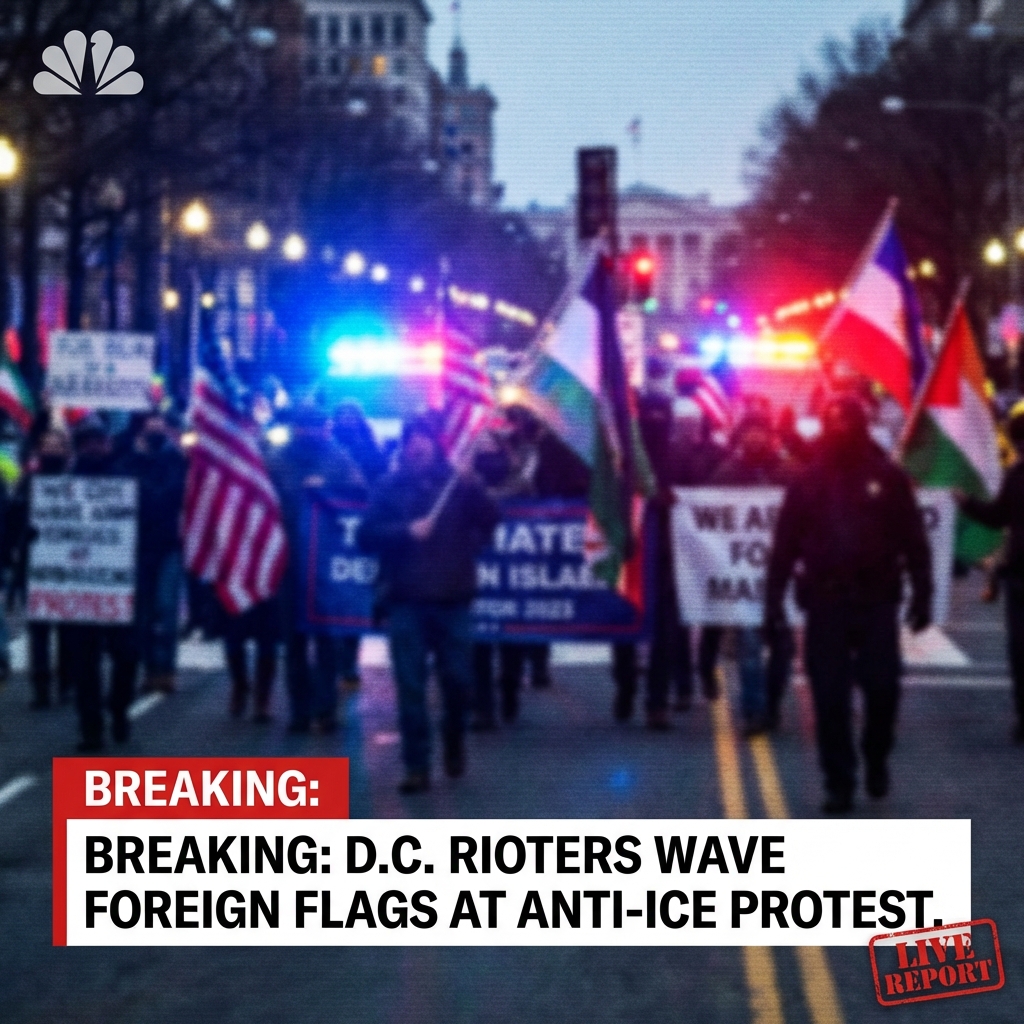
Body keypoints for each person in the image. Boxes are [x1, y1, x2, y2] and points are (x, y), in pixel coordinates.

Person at [765, 397, 933, 813]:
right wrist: (772, 606)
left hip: (876, 599)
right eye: (833, 421)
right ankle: (838, 781)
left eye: (848, 421)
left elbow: (914, 540)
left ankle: (876, 756)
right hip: (825, 601)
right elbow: (783, 549)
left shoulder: (888, 478)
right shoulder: (807, 482)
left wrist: (924, 593)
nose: (841, 428)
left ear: (861, 425)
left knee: (883, 687)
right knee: (829, 697)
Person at [358, 416, 500, 794]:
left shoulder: (459, 485)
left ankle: (453, 738)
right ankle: (416, 764)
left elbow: (492, 521)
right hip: (406, 602)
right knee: (410, 688)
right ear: (403, 447)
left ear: (436, 444)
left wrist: (476, 489)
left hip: (453, 599)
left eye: (424, 439)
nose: (418, 446)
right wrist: (405, 532)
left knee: (459, 681)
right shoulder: (388, 487)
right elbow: (365, 535)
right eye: (411, 440)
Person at [266, 405, 365, 734]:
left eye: (316, 426)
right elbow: (262, 502)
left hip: (323, 565)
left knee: (327, 643)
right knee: (294, 644)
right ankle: (299, 710)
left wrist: (328, 491)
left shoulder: (339, 458)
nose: (310, 432)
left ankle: (325, 709)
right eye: (304, 426)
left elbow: (359, 498)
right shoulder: (276, 459)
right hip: (289, 560)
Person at [710, 412, 793, 735]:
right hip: (743, 577)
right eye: (750, 431)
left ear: (770, 435)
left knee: (783, 648)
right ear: (741, 435)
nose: (755, 437)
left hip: (781, 578)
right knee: (749, 646)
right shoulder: (727, 472)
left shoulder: (788, 472)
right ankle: (753, 711)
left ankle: (771, 704)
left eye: (761, 431)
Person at [65, 416, 141, 751]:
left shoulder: (125, 478)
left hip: (120, 585)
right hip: (79, 587)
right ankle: (91, 727)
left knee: (126, 655)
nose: (93, 447)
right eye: (86, 442)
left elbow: (147, 519)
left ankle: (119, 707)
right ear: (78, 447)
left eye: (98, 440)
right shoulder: (62, 485)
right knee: (84, 662)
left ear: (108, 444)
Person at [957, 403, 1024, 741]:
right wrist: (966, 503)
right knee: (1019, 650)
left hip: (1018, 575)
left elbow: (998, 517)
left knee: (1020, 649)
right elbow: (999, 516)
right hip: (1019, 576)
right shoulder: (1016, 477)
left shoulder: (1016, 476)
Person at [331, 401, 387, 690]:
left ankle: (348, 662)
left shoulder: (373, 453)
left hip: (361, 531)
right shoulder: (327, 450)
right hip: (328, 534)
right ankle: (334, 663)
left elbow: (381, 488)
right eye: (342, 416)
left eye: (353, 416)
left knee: (353, 596)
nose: (347, 421)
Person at [130, 413, 186, 695]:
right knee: (143, 613)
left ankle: (167, 668)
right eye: (150, 422)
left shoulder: (176, 460)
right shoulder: (129, 457)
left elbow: (172, 494)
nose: (155, 427)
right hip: (137, 546)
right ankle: (150, 669)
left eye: (159, 423)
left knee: (165, 609)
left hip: (168, 545)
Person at [22, 429, 73, 707]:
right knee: (39, 630)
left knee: (67, 628)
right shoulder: (29, 481)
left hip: (68, 564)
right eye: (47, 445)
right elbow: (15, 519)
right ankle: (40, 685)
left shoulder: (76, 481)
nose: (51, 450)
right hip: (37, 561)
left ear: (66, 451)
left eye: (57, 445)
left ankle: (66, 680)